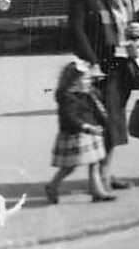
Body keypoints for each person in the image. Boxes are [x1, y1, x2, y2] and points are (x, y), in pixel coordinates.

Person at [67, 0, 139, 192]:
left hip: (123, 61)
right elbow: (76, 31)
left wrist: (138, 30)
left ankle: (105, 174)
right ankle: (97, 180)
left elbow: (136, 20)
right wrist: (92, 63)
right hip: (99, 64)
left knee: (114, 120)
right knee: (102, 122)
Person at [45, 59, 114, 204]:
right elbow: (70, 118)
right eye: (85, 79)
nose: (89, 82)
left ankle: (98, 191)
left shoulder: (86, 94)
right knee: (69, 167)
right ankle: (53, 185)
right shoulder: (67, 98)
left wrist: (102, 122)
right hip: (76, 135)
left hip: (90, 134)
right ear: (73, 81)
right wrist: (86, 127)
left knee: (94, 163)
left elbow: (96, 110)